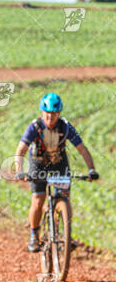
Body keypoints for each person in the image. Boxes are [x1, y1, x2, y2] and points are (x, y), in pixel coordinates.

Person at [14, 92, 99, 252]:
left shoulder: (65, 127)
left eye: (54, 114)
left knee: (65, 197)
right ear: (42, 112)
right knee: (38, 199)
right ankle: (34, 235)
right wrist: (20, 171)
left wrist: (91, 169)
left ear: (59, 114)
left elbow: (82, 149)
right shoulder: (35, 127)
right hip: (38, 163)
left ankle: (65, 234)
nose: (50, 118)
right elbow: (21, 150)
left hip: (59, 163)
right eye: (47, 114)